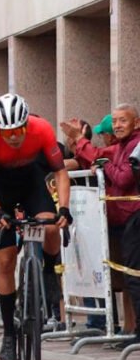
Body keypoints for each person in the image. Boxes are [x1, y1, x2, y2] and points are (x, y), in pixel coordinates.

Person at [0, 93, 71, 360]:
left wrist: (64, 208)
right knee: (5, 262)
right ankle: (9, 334)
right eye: (8, 132)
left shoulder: (42, 129)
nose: (14, 137)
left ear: (27, 124)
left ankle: (49, 271)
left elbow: (60, 172)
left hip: (30, 184)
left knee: (50, 227)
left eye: (19, 130)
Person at [62, 104, 140, 346]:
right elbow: (97, 155)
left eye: (122, 120)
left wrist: (104, 165)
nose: (117, 126)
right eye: (115, 121)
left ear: (136, 123)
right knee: (127, 277)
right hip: (123, 219)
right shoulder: (119, 146)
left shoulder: (136, 144)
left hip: (135, 216)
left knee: (134, 276)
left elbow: (124, 178)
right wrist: (79, 142)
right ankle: (132, 331)